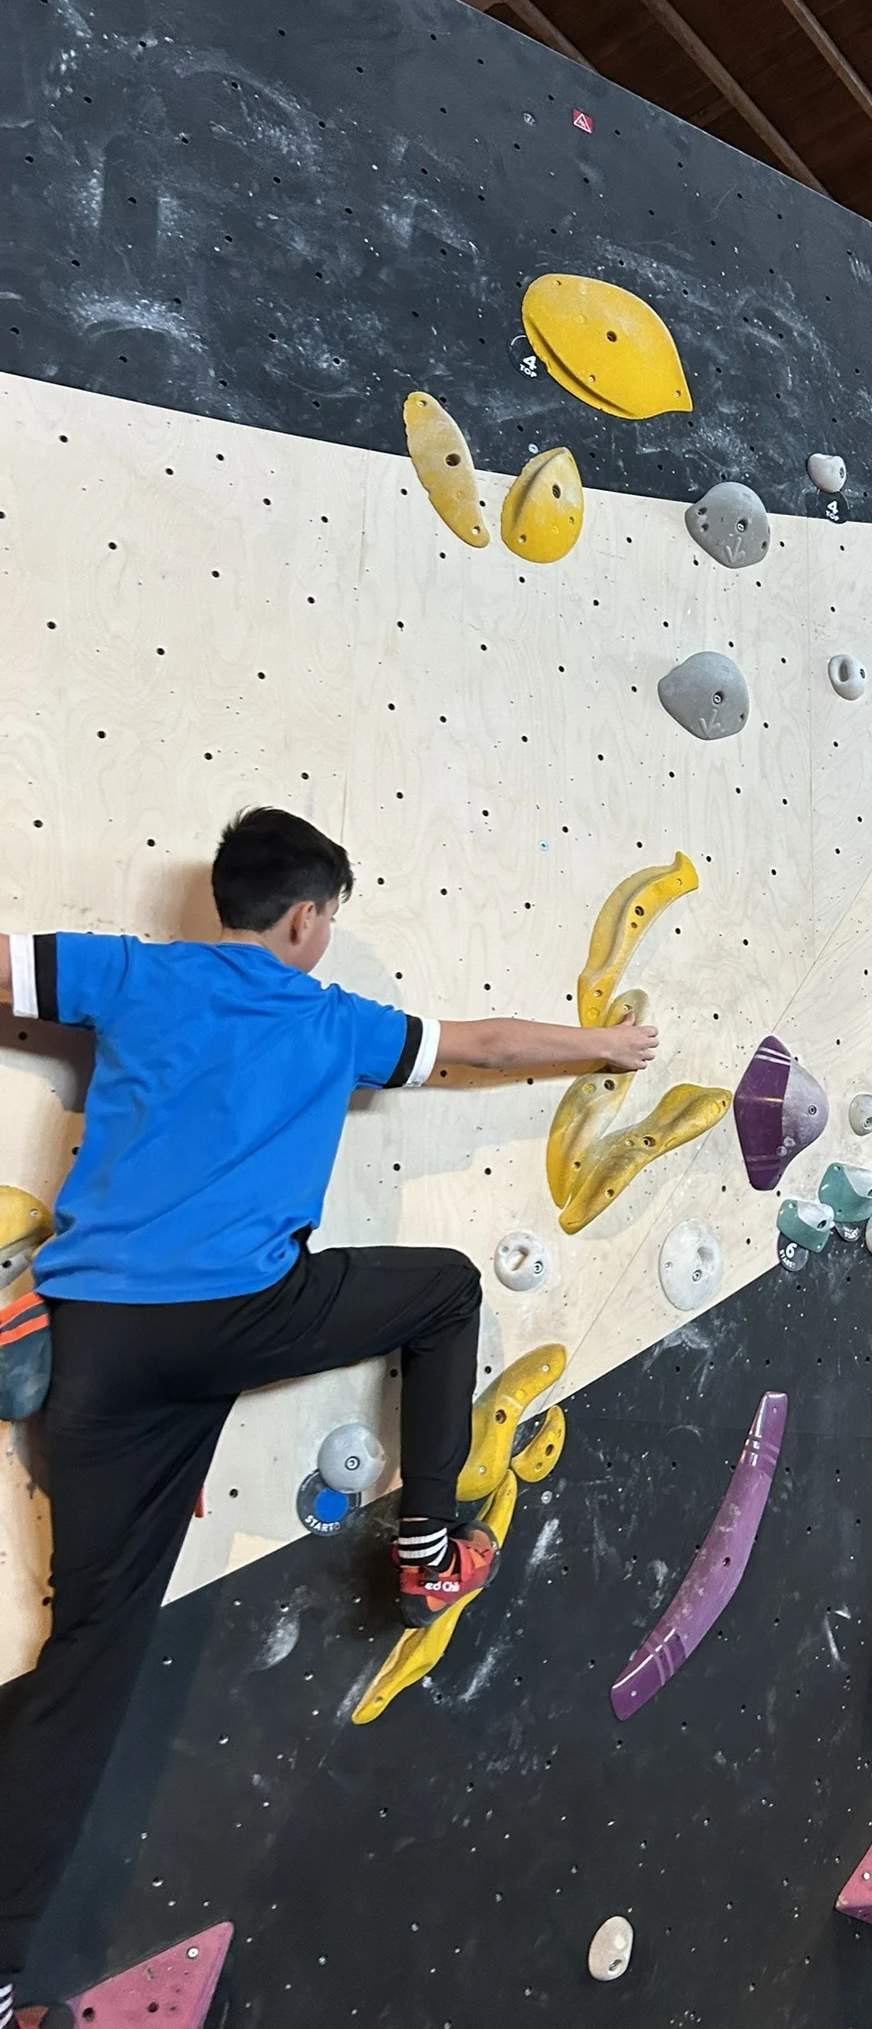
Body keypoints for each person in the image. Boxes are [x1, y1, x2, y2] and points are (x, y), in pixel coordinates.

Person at [0, 808, 658, 2021]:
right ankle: (424, 1546)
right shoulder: (328, 1017)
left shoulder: (133, 970)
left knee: (86, 1655)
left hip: (95, 1343)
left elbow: (6, 969)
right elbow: (484, 1041)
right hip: (240, 1314)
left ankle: (0, 1970)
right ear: (308, 917)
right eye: (333, 920)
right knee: (448, 1288)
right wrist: (605, 1044)